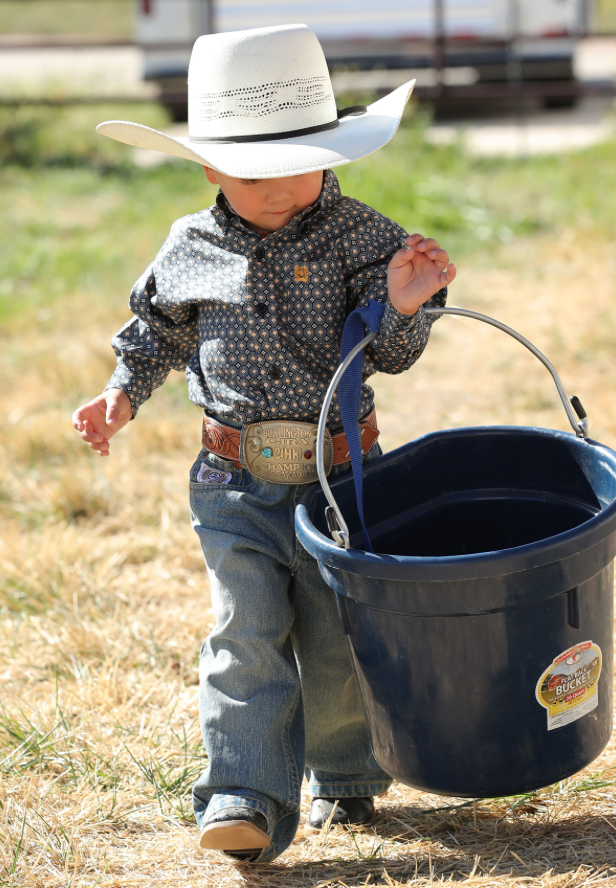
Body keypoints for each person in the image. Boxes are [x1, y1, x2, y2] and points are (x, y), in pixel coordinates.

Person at [72, 23, 456, 864]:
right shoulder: (189, 247)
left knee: (334, 633)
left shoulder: (364, 237)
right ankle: (243, 793)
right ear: (208, 165)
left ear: (332, 154)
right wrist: (119, 396)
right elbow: (153, 335)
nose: (281, 188)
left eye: (300, 165)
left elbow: (389, 354)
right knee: (244, 628)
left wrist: (403, 301)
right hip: (232, 476)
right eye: (253, 174)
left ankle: (347, 777)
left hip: (342, 475)